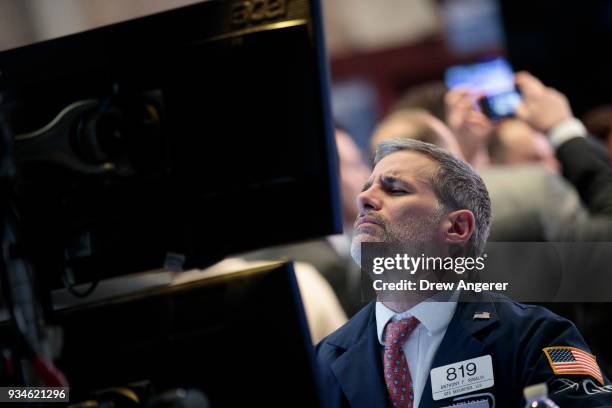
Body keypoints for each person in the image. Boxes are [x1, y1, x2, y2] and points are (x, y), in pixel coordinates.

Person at [315, 138, 611, 407]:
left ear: (457, 228)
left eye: (394, 189)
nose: (363, 199)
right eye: (366, 187)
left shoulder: (537, 338)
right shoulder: (322, 360)